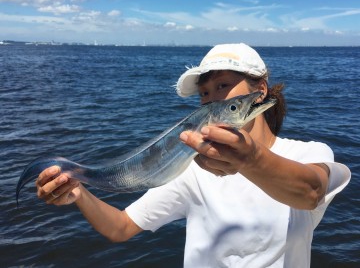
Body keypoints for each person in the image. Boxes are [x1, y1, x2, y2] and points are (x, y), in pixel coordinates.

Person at [36, 43, 351, 267]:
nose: (211, 100)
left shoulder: (308, 153)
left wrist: (249, 159)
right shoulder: (192, 166)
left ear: (261, 90)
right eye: (204, 93)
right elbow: (121, 227)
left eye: (223, 86)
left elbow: (309, 193)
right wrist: (77, 190)